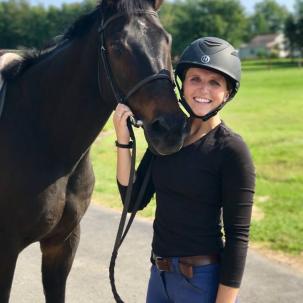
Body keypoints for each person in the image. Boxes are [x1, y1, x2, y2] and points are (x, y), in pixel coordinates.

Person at [113, 37, 255, 303]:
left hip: (200, 282)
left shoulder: (232, 151)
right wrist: (123, 139)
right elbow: (132, 200)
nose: (203, 89)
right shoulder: (168, 136)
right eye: (195, 79)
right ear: (182, 83)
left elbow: (238, 239)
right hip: (159, 276)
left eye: (215, 82)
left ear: (227, 93)